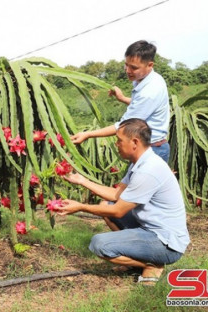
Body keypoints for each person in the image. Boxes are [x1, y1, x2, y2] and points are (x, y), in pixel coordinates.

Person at [55, 118, 189, 283]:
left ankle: (151, 265)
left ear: (134, 142)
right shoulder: (140, 162)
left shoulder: (149, 170)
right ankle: (135, 255)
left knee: (99, 244)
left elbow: (118, 210)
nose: (116, 144)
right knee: (105, 205)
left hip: (166, 243)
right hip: (151, 228)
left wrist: (81, 207)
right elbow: (116, 194)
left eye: (119, 140)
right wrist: (82, 180)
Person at [71, 40, 170, 163]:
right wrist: (122, 98)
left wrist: (88, 134)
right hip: (148, 147)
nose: (127, 70)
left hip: (153, 150)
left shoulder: (150, 91)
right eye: (126, 64)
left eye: (133, 67)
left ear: (150, 65)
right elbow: (141, 106)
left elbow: (125, 126)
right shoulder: (149, 78)